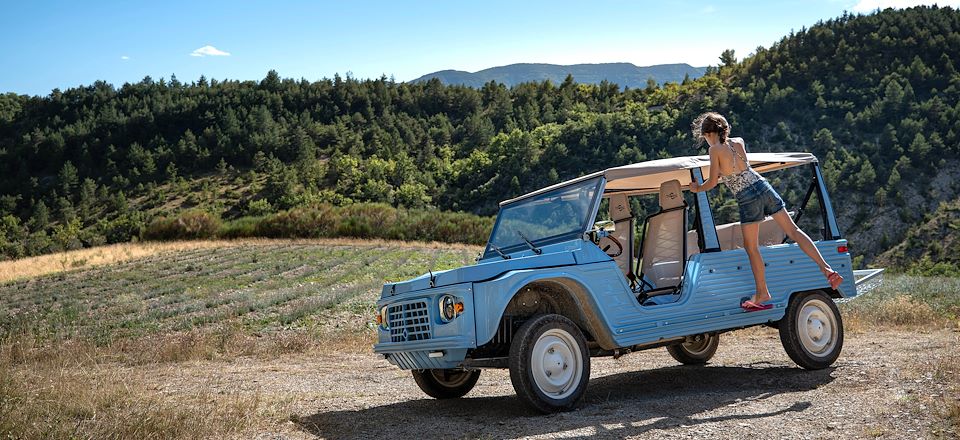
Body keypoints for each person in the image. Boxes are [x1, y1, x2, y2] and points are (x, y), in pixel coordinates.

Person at [688, 112, 843, 311]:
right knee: (793, 231)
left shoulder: (714, 150)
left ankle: (762, 292)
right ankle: (827, 269)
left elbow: (710, 183)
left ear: (709, 134)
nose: (706, 142)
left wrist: (696, 188)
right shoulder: (738, 142)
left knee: (751, 247)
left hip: (747, 197)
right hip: (763, 187)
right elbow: (738, 169)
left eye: (705, 138)